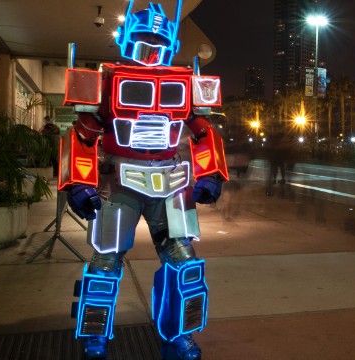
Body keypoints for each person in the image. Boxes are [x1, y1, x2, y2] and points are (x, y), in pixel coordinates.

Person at [59, 1, 228, 359]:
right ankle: (95, 334)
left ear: (169, 46)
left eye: (157, 44)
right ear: (128, 42)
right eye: (144, 43)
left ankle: (179, 333)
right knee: (105, 261)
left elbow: (202, 132)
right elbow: (83, 135)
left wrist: (211, 174)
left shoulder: (183, 82)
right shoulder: (109, 80)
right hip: (120, 181)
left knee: (183, 261)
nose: (151, 52)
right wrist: (79, 182)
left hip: (169, 181)